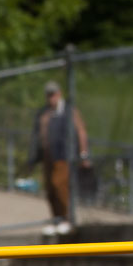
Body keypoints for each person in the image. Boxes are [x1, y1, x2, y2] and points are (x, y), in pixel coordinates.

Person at [27, 80, 90, 236]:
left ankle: (66, 219)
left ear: (59, 93)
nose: (51, 98)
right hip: (48, 156)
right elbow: (38, 134)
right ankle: (56, 218)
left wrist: (83, 154)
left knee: (59, 185)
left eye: (53, 94)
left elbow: (81, 131)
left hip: (64, 155)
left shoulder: (69, 111)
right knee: (50, 189)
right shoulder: (44, 113)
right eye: (48, 94)